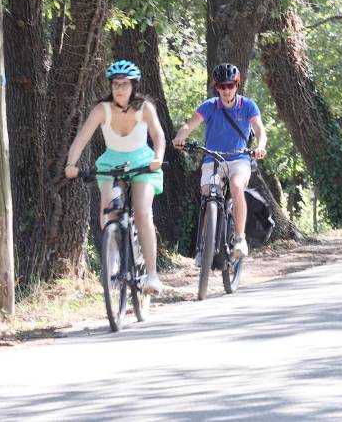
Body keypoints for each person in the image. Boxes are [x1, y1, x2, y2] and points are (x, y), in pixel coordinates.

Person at [65, 60, 164, 294]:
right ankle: (114, 256)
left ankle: (152, 275)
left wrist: (158, 157)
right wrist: (71, 164)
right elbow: (81, 139)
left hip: (142, 162)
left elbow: (158, 135)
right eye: (115, 84)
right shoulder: (102, 110)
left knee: (141, 211)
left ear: (133, 86)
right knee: (109, 210)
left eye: (124, 84)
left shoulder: (144, 108)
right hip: (111, 162)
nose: (119, 89)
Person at [172, 63, 267, 260]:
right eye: (221, 86)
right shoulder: (209, 106)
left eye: (230, 85)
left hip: (239, 159)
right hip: (212, 159)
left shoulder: (248, 105)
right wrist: (180, 137)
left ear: (237, 85)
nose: (226, 90)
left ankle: (240, 238)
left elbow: (259, 130)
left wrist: (260, 146)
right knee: (209, 195)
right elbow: (189, 125)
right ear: (216, 87)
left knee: (236, 186)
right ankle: (204, 248)